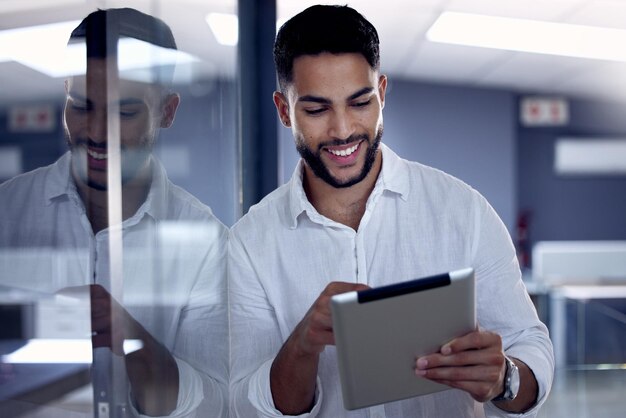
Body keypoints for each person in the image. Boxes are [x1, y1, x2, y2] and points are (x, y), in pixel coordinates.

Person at [228, 4, 553, 418]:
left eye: (360, 102)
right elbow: (243, 403)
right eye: (316, 110)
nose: (342, 130)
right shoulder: (249, 243)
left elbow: (531, 346)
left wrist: (504, 377)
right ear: (282, 109)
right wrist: (303, 344)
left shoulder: (464, 211)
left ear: (381, 93)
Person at [0, 8, 227, 417]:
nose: (96, 132)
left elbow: (215, 403)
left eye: (124, 113)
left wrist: (133, 340)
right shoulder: (6, 213)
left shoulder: (207, 241)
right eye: (80, 106)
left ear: (167, 112)